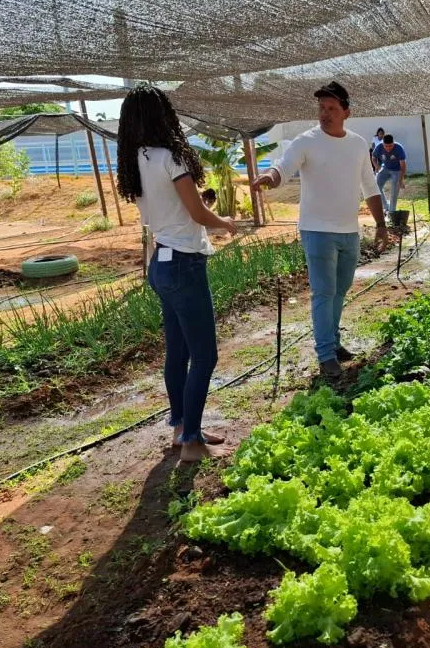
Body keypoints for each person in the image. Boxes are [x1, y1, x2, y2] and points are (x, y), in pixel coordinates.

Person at [116, 85, 238, 462]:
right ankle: (192, 445)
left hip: (161, 263)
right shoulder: (171, 157)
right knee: (205, 356)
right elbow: (197, 214)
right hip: (184, 262)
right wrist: (227, 224)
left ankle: (183, 428)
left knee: (178, 352)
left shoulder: (134, 160)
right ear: (163, 116)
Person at [252, 82, 388, 379]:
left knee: (339, 290)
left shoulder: (356, 144)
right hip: (317, 230)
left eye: (331, 109)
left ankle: (333, 343)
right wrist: (271, 177)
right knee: (324, 292)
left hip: (349, 231)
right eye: (321, 108)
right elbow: (284, 167)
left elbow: (370, 185)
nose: (324, 114)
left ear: (346, 113)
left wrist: (381, 226)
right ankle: (326, 354)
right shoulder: (306, 141)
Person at [372, 134, 407, 214]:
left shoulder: (399, 148)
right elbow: (373, 157)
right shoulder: (379, 146)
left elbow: (403, 166)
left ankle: (392, 212)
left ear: (393, 143)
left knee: (394, 191)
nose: (388, 148)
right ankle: (385, 207)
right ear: (383, 144)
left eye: (390, 146)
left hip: (397, 171)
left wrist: (401, 180)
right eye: (386, 146)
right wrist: (377, 166)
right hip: (385, 169)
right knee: (376, 186)